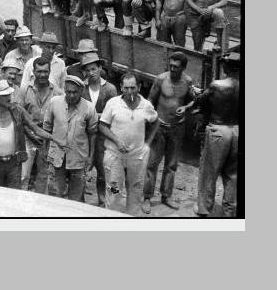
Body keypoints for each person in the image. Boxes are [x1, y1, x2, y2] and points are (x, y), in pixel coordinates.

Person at [142, 51, 196, 214]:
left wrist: (186, 108)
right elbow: (150, 101)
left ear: (183, 68)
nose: (172, 69)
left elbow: (193, 100)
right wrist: (149, 122)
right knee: (152, 164)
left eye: (176, 67)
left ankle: (166, 196)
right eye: (170, 66)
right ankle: (147, 197)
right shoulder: (160, 79)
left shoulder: (187, 82)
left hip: (177, 128)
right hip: (159, 126)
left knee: (171, 165)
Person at [98, 73, 159, 216]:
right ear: (121, 87)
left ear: (139, 87)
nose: (129, 91)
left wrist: (148, 143)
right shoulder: (113, 103)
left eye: (133, 88)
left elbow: (156, 121)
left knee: (135, 191)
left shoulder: (146, 105)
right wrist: (117, 141)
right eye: (126, 88)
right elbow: (102, 126)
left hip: (137, 157)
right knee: (114, 191)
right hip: (114, 156)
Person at [0, 80, 54, 188]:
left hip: (14, 163)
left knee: (13, 195)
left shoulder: (17, 110)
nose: (8, 97)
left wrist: (54, 138)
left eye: (9, 94)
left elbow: (35, 128)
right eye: (4, 95)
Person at [193, 52, 240, 218]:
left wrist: (196, 95)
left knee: (209, 172)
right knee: (233, 175)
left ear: (226, 67)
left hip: (218, 130)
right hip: (237, 130)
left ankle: (205, 208)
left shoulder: (217, 85)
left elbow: (200, 101)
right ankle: (230, 211)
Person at [42, 75, 98, 201]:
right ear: (64, 90)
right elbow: (47, 127)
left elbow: (93, 133)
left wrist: (91, 156)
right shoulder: (54, 102)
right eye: (68, 92)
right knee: (55, 193)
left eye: (75, 92)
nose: (71, 95)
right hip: (57, 156)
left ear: (81, 91)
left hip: (78, 157)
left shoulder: (89, 108)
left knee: (76, 196)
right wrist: (45, 150)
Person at [17, 55, 62, 192]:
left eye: (45, 72)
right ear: (33, 72)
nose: (42, 75)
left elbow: (60, 119)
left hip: (47, 139)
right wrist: (30, 134)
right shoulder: (24, 90)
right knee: (24, 175)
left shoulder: (57, 92)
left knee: (45, 176)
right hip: (28, 137)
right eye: (39, 71)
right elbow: (19, 116)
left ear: (49, 72)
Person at [80, 51, 119, 206]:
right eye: (88, 70)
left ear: (99, 68)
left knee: (103, 171)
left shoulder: (110, 89)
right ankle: (79, 199)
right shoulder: (82, 88)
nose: (91, 73)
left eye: (94, 69)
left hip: (102, 137)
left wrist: (94, 115)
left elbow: (113, 114)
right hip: (84, 136)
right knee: (81, 169)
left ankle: (102, 199)